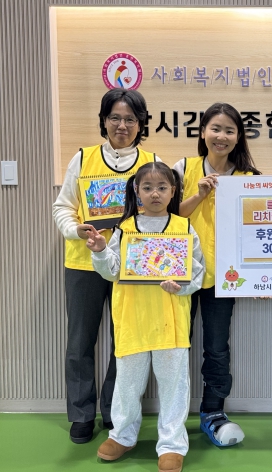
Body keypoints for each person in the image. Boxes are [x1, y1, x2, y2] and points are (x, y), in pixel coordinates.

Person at [52, 88, 158, 444]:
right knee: (80, 340)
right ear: (104, 121)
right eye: (115, 117)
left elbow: (161, 211)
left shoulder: (151, 161)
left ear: (141, 123)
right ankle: (81, 414)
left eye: (130, 119)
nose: (122, 125)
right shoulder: (83, 158)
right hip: (83, 264)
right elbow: (63, 207)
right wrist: (75, 229)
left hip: (130, 266)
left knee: (124, 342)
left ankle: (116, 410)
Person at [86, 162, 205, 472]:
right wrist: (100, 250)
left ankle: (172, 445)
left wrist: (180, 286)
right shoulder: (125, 228)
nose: (155, 194)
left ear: (173, 191)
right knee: (127, 383)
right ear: (137, 191)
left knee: (174, 386)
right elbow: (112, 271)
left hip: (171, 321)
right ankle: (122, 435)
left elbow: (197, 272)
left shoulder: (183, 227)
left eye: (162, 188)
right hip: (132, 319)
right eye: (148, 187)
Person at [173, 102, 261, 447]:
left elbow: (258, 232)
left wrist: (263, 275)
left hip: (224, 279)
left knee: (217, 348)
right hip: (180, 276)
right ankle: (173, 415)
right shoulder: (183, 168)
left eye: (229, 130)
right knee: (175, 347)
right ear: (202, 132)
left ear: (238, 137)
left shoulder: (249, 178)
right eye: (215, 128)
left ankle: (213, 412)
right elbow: (168, 218)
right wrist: (199, 194)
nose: (221, 136)